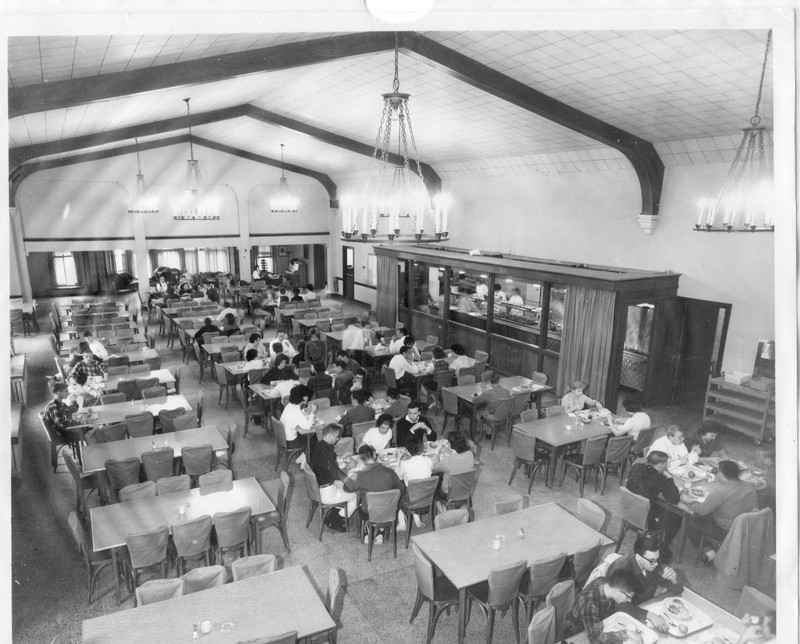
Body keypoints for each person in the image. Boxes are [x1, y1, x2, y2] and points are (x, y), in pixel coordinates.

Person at [607, 534, 683, 632]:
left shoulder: (652, 565)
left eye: (658, 559)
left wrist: (673, 579)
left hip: (645, 610)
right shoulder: (621, 569)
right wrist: (649, 615)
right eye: (652, 561)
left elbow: (677, 591)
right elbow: (618, 607)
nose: (656, 564)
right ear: (638, 557)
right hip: (621, 617)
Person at [689, 460, 759, 562]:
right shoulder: (750, 486)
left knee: (691, 521)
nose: (716, 474)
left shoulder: (720, 491)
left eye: (718, 472)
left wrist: (690, 501)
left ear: (722, 474)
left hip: (727, 531)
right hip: (747, 528)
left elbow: (701, 510)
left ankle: (709, 554)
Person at [344, 444, 406, 544]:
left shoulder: (360, 476)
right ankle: (380, 532)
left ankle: (368, 532)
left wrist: (351, 475)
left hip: (369, 512)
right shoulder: (389, 472)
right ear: (374, 455)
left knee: (360, 502)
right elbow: (401, 490)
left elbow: (347, 488)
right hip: (389, 510)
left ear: (361, 460)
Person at [563, 569, 645, 643]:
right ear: (617, 591)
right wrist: (624, 635)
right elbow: (594, 638)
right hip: (576, 632)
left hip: (595, 622)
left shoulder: (608, 585)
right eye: (628, 597)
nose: (629, 600)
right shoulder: (590, 602)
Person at [625, 450, 683, 545]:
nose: (666, 467)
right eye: (666, 464)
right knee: (677, 515)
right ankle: (664, 545)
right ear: (660, 465)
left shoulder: (636, 467)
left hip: (629, 509)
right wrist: (669, 478)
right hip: (646, 519)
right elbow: (674, 499)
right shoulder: (660, 478)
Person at [310, 424, 357, 532]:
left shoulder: (318, 445)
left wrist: (340, 459)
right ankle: (337, 519)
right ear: (331, 436)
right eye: (337, 437)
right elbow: (335, 475)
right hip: (327, 492)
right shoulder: (328, 453)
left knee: (344, 489)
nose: (337, 440)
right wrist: (350, 471)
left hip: (319, 487)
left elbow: (328, 466)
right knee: (356, 495)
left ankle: (333, 514)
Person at [396, 435, 433, 530]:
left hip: (410, 499)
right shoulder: (429, 461)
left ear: (408, 451)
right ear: (422, 447)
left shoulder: (406, 464)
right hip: (426, 496)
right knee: (416, 488)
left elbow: (397, 476)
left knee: (398, 493)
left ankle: (402, 524)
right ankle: (417, 520)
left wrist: (399, 458)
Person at [472, 370, 512, 434]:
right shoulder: (506, 391)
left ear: (489, 382)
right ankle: (490, 429)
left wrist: (474, 396)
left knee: (477, 411)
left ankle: (488, 430)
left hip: (493, 417)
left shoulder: (488, 393)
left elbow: (475, 401)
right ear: (498, 381)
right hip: (505, 415)